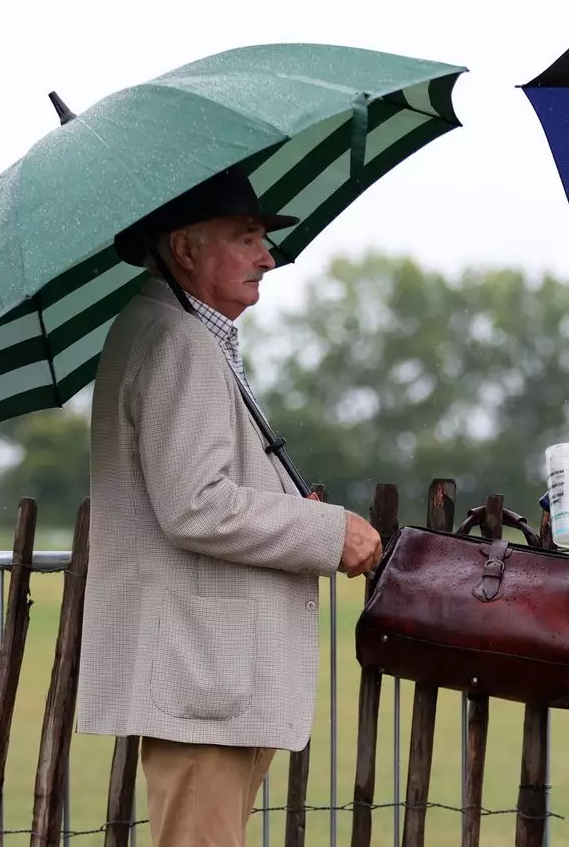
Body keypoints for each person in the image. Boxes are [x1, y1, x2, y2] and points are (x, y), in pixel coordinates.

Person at [76, 167, 384, 847]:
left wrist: (284, 504)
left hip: (210, 676)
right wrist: (325, 531)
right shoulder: (177, 342)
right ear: (185, 249)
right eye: (247, 239)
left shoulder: (185, 334)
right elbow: (194, 505)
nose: (267, 258)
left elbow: (198, 485)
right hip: (202, 674)